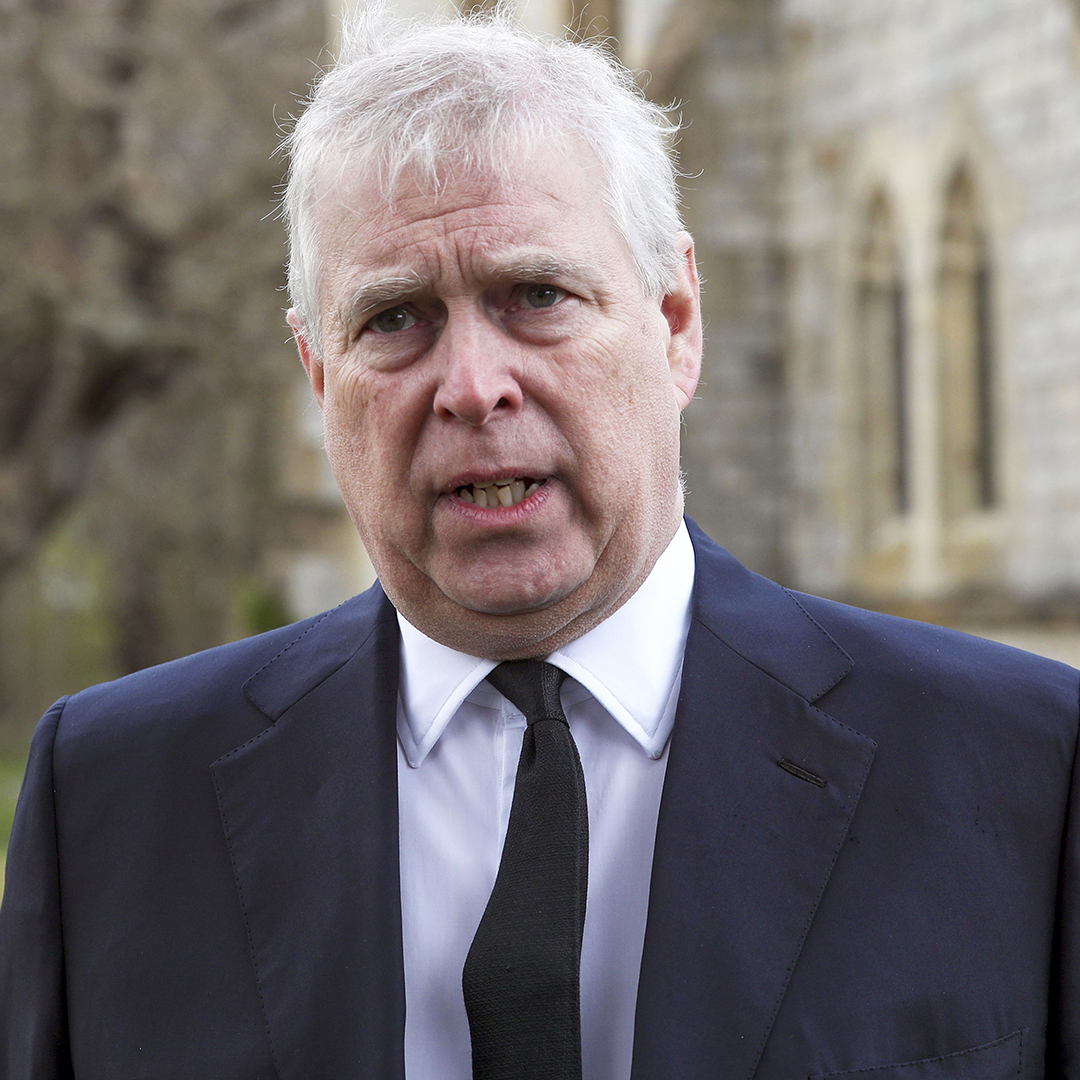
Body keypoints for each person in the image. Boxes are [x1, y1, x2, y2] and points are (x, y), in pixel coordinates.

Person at [1, 7, 1077, 1080]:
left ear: (676, 322)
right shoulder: (111, 800)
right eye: (394, 319)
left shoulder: (1021, 767)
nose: (474, 387)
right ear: (319, 374)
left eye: (538, 296)